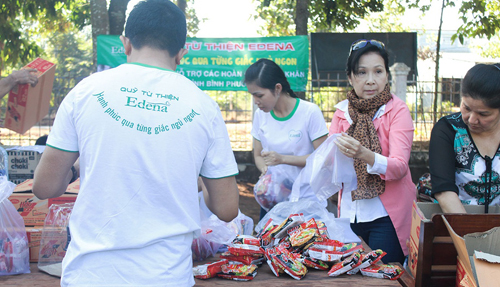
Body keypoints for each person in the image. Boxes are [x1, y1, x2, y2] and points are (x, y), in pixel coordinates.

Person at [32, 0, 239, 286]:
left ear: (125, 44)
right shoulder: (204, 107)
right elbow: (227, 209)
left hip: (90, 275)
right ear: (181, 53)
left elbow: (44, 187)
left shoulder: (87, 91)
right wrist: (199, 181)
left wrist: (76, 169)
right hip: (166, 277)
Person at [329, 39, 415, 264]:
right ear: (350, 77)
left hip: (386, 218)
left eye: (378, 71)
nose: (370, 80)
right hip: (349, 214)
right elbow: (332, 166)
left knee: (383, 277)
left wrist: (364, 154)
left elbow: (399, 167)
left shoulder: (398, 111)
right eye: (361, 72)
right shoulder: (340, 113)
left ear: (387, 75)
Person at [245, 58, 328, 219]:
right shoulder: (260, 115)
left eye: (259, 95)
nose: (256, 102)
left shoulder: (309, 112)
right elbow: (257, 155)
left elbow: (322, 158)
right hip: (273, 201)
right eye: (252, 96)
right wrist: (265, 171)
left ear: (277, 88)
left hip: (306, 201)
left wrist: (283, 159)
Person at [429, 63, 500, 213]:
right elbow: (444, 192)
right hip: (455, 222)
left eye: (483, 114)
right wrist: (469, 234)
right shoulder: (447, 130)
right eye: (466, 108)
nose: (472, 120)